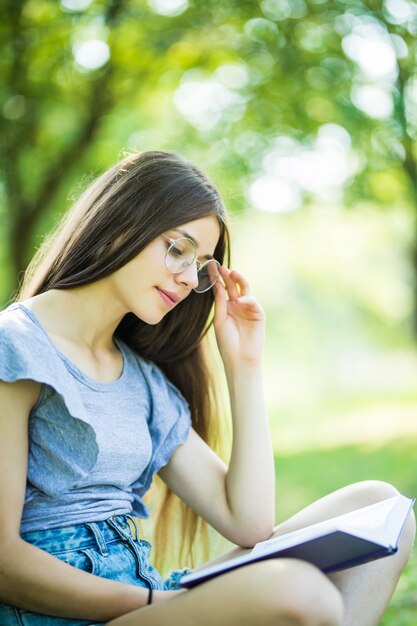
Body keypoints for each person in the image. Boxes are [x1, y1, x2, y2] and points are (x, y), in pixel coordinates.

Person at [0, 150, 414, 626]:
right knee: (298, 592)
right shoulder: (16, 347)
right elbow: (3, 562)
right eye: (178, 249)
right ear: (120, 221)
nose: (184, 278)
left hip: (147, 597)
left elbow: (249, 522)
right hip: (78, 614)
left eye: (199, 265)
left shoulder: (141, 381)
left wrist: (245, 366)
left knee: (382, 507)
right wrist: (162, 604)